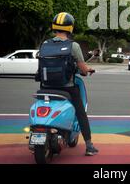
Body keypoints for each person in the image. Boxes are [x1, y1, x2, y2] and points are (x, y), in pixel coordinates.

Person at [36, 12, 98, 156]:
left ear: (54, 27)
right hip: (67, 88)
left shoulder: (45, 44)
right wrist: (88, 70)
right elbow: (83, 69)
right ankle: (89, 146)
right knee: (81, 112)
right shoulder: (73, 46)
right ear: (70, 28)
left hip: (45, 87)